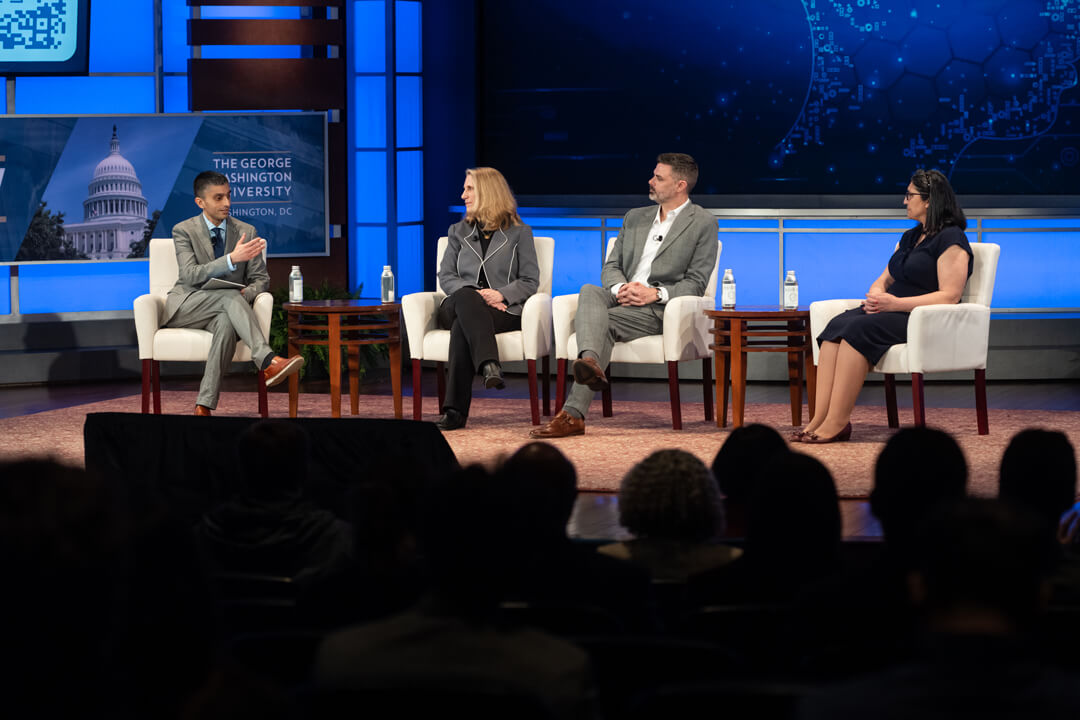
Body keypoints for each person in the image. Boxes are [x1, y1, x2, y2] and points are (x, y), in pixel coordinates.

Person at [530, 153, 718, 438]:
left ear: (680, 185)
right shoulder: (635, 217)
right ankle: (590, 363)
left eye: (659, 178)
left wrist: (654, 293)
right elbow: (611, 266)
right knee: (589, 290)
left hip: (659, 309)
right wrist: (621, 288)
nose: (650, 181)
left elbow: (696, 283)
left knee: (603, 324)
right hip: (622, 296)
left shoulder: (703, 222)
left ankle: (573, 414)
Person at [795, 168, 973, 443]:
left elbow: (949, 295)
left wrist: (896, 304)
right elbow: (885, 278)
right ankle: (819, 418)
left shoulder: (951, 238)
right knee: (836, 327)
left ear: (928, 200)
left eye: (910, 195)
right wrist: (877, 294)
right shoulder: (910, 237)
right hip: (892, 309)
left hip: (921, 317)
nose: (904, 201)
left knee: (857, 331)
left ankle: (837, 422)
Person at [163, 170, 304, 416]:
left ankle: (203, 405)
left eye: (229, 195)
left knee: (227, 322)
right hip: (188, 305)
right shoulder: (183, 230)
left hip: (226, 306)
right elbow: (189, 275)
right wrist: (231, 259)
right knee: (228, 296)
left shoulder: (246, 231)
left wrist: (244, 295)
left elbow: (261, 280)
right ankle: (268, 360)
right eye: (218, 198)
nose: (227, 203)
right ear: (200, 202)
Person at [433, 167, 539, 431]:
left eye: (469, 189)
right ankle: (489, 363)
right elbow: (446, 276)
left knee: (462, 327)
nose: (463, 195)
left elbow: (530, 280)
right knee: (467, 299)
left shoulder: (520, 233)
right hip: (458, 302)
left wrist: (501, 294)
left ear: (488, 192)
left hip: (501, 310)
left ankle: (455, 412)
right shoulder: (457, 231)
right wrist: (478, 294)